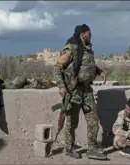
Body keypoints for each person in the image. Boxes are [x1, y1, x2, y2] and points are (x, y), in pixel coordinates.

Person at [53, 24, 107, 160]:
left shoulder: (88, 49)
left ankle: (92, 148)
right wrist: (61, 86)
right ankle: (69, 147)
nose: (91, 36)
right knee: (72, 121)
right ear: (83, 34)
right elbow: (57, 67)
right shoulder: (72, 48)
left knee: (93, 119)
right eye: (89, 33)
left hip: (87, 90)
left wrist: (98, 71)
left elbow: (86, 65)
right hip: (74, 91)